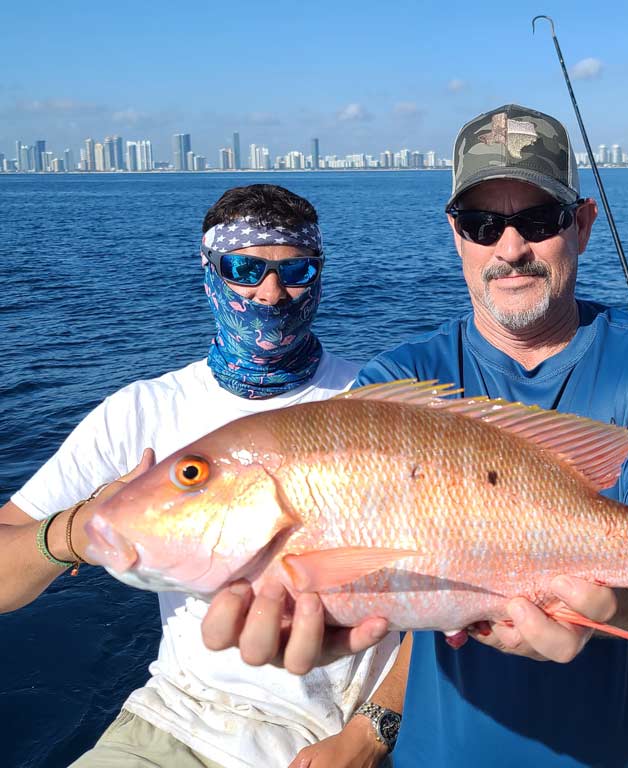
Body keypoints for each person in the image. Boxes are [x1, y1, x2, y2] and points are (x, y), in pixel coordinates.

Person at [351, 104, 628, 765]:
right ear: (455, 235)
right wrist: (372, 725)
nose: (510, 248)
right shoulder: (397, 382)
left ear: (582, 226)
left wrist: (611, 598)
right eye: (482, 224)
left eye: (538, 219)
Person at [0, 184, 405, 768]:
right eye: (244, 268)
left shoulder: (374, 400)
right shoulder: (141, 412)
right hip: (174, 722)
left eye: (296, 269)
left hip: (337, 736)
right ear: (210, 272)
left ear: (319, 274)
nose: (270, 292)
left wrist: (373, 732)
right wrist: (79, 530)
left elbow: (448, 587)